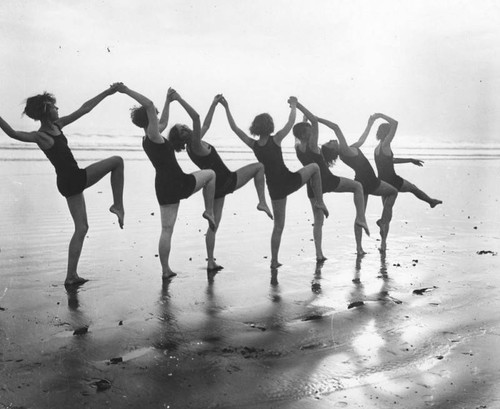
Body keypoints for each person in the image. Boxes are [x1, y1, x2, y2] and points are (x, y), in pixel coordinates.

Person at [0, 85, 125, 286]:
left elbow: (84, 110)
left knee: (82, 227)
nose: (58, 109)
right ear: (46, 109)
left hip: (67, 181)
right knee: (117, 161)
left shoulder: (57, 125)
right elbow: (12, 133)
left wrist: (107, 93)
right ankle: (118, 205)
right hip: (73, 178)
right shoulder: (40, 135)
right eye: (55, 107)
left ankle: (71, 276)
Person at [116, 84, 216, 279]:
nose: (157, 113)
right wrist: (126, 90)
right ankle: (209, 210)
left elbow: (164, 120)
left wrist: (168, 101)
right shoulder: (153, 135)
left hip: (162, 186)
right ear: (149, 116)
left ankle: (165, 270)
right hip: (178, 181)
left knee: (166, 230)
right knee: (210, 174)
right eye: (153, 113)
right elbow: (149, 104)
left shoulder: (149, 137)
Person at [219, 95, 329, 269]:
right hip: (289, 180)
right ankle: (320, 201)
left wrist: (226, 108)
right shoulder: (276, 139)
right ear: (269, 126)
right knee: (315, 167)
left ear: (255, 127)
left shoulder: (254, 145)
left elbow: (235, 129)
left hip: (275, 189)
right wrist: (294, 105)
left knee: (278, 226)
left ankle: (274, 260)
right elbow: (291, 121)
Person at [168, 93, 273, 272]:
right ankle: (262, 202)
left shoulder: (194, 146)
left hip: (214, 187)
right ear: (182, 137)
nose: (186, 127)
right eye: (182, 129)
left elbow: (206, 123)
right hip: (227, 180)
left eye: (184, 126)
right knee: (259, 167)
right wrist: (178, 98)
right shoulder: (195, 144)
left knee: (213, 224)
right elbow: (196, 117)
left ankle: (210, 262)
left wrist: (214, 104)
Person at [293, 102, 369, 261]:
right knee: (357, 186)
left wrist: (302, 118)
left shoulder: (297, 146)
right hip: (327, 179)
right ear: (307, 134)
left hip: (311, 185)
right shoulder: (313, 146)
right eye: (309, 131)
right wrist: (298, 104)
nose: (312, 131)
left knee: (318, 221)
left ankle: (319, 254)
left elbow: (302, 127)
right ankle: (360, 217)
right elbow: (314, 122)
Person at [318, 115, 398, 254]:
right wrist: (315, 118)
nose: (331, 140)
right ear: (333, 150)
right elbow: (336, 127)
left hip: (361, 181)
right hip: (371, 182)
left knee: (360, 215)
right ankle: (383, 222)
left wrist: (370, 123)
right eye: (329, 143)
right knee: (393, 192)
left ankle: (359, 248)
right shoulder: (344, 151)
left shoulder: (349, 148)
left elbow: (362, 139)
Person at [373, 113, 442, 208]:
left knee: (386, 207)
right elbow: (395, 123)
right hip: (392, 179)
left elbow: (391, 160)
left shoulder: (377, 148)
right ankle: (431, 201)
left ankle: (385, 223)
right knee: (413, 188)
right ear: (387, 133)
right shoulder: (385, 144)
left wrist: (410, 160)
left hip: (382, 180)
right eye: (390, 132)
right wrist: (380, 115)